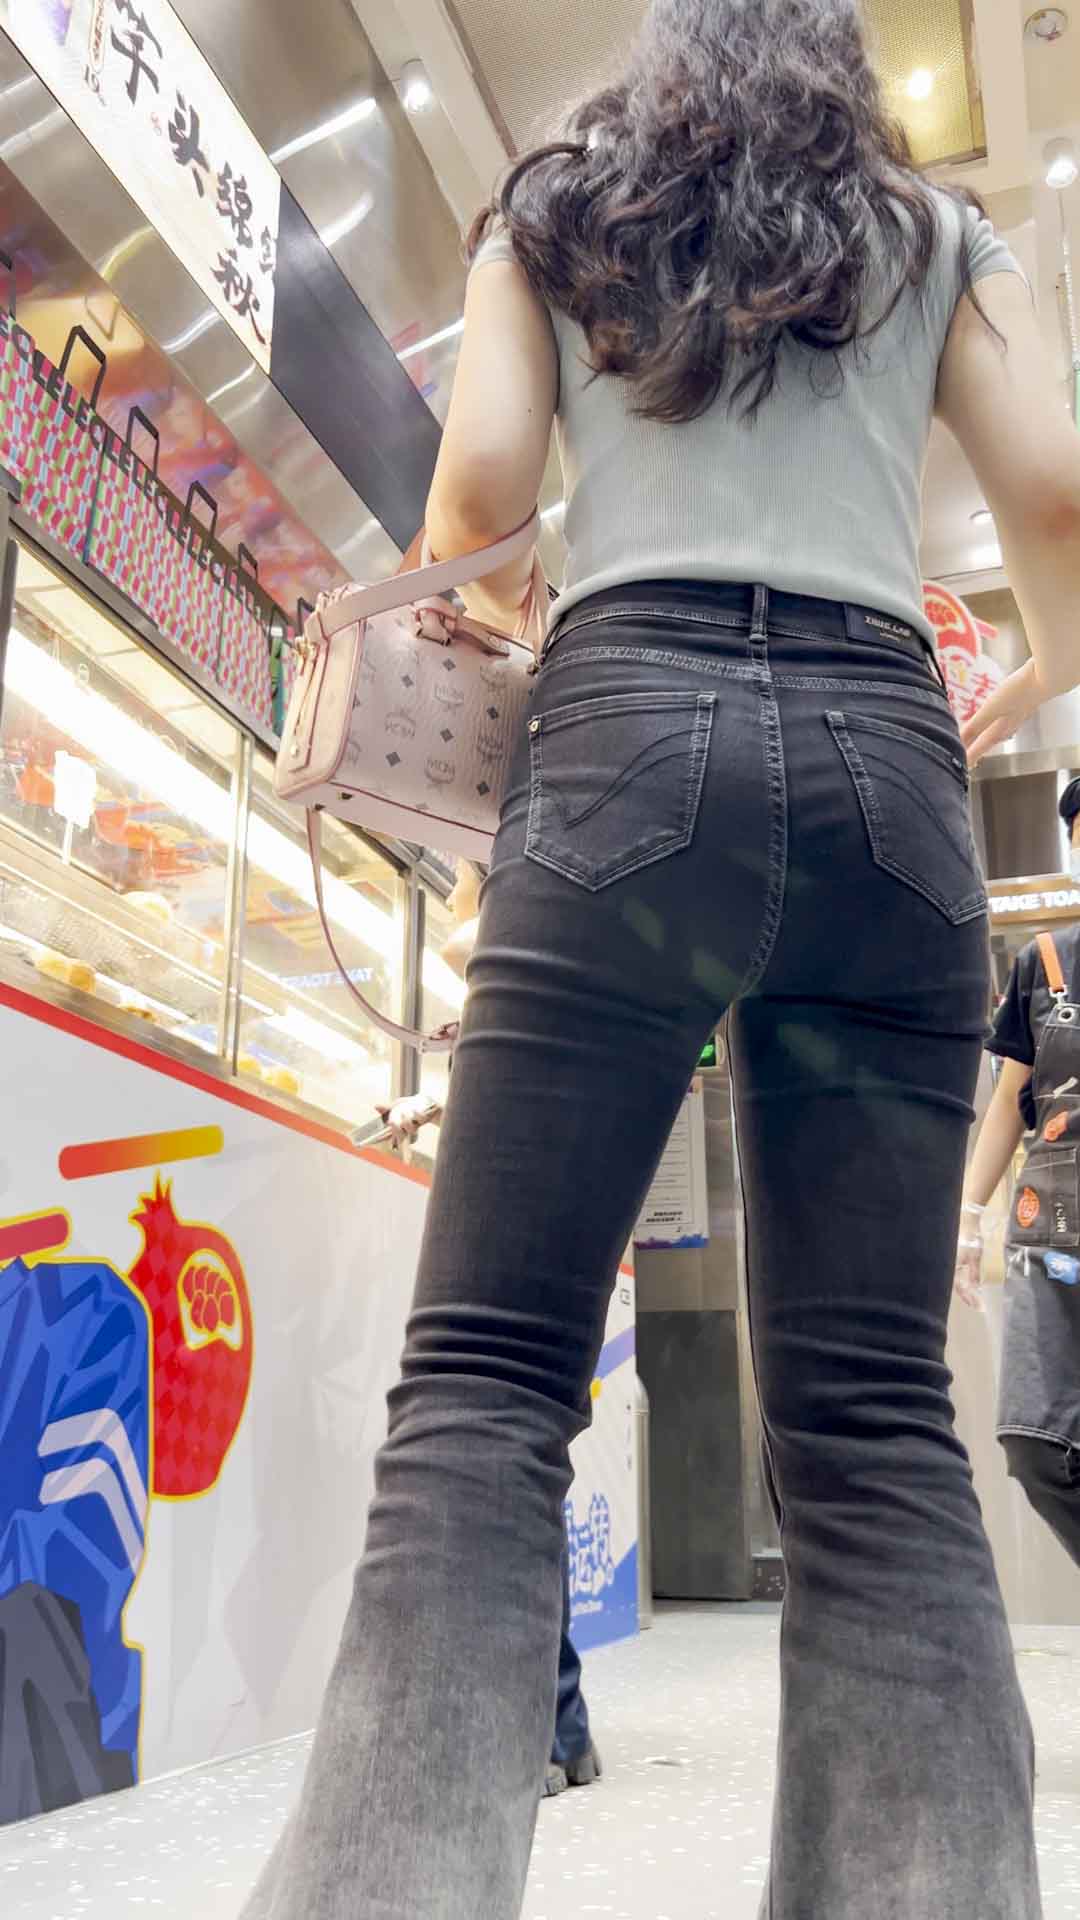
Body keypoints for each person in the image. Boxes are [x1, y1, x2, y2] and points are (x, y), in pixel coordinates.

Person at [243, 1, 1080, 1913]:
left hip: (624, 746)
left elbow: (478, 502)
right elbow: (1055, 492)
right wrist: (1036, 673)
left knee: (484, 1386)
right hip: (888, 777)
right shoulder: (929, 232)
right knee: (877, 1425)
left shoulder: (558, 206)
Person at [377, 858, 601, 1800]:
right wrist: (431, 1104)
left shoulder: (525, 922)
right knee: (524, 1480)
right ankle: (560, 1725)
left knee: (502, 1471)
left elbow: (480, 954)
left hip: (525, 1237)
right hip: (557, 1222)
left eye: (462, 875)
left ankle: (539, 1730)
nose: (450, 895)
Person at [956, 777, 1080, 1564]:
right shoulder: (1046, 961)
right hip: (1053, 1239)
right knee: (1035, 1442)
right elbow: (1010, 1098)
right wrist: (968, 1216)